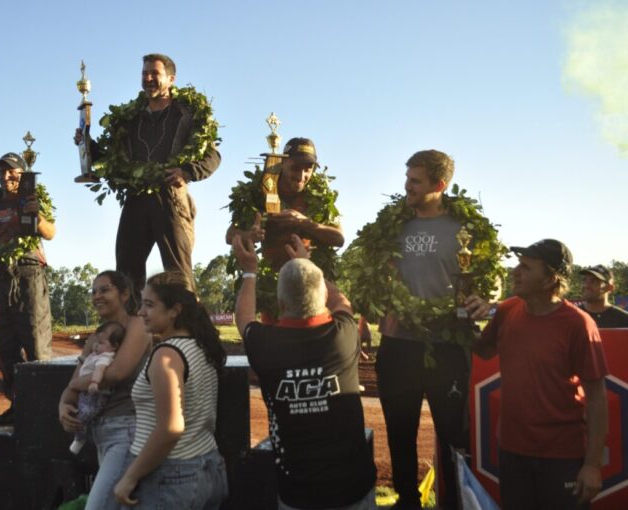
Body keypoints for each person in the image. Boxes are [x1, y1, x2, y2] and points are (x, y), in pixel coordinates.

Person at [375, 150, 488, 510]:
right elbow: (370, 271)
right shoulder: (391, 224)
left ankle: (455, 503)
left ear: (439, 185)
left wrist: (484, 298)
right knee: (400, 433)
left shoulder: (465, 228)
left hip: (447, 346)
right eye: (407, 177)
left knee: (455, 436)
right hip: (398, 344)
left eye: (415, 180)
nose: (406, 186)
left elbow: (487, 279)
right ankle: (407, 502)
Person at [232, 233, 377, 510]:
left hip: (298, 494)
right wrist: (307, 263)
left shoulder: (265, 343)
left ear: (281, 305)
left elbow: (244, 319)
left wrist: (249, 271)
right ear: (322, 294)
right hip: (354, 489)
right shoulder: (344, 335)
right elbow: (342, 302)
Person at [472, 239, 608, 509]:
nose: (515, 272)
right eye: (517, 265)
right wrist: (465, 317)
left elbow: (597, 398)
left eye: (525, 267)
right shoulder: (508, 309)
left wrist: (592, 466)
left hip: (562, 456)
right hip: (512, 451)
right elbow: (484, 351)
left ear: (550, 280)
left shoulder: (579, 324)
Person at [75, 54, 221, 292]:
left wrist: (187, 172)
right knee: (126, 271)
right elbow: (112, 160)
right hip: (136, 198)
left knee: (178, 272)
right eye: (145, 73)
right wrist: (87, 145)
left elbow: (213, 156)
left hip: (171, 198)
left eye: (155, 73)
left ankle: (186, 327)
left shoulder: (187, 113)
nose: (148, 79)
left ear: (171, 79)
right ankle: (131, 326)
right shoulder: (130, 118)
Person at [113, 271, 228, 509]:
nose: (141, 312)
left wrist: (130, 476)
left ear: (174, 310)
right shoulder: (200, 346)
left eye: (149, 305)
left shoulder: (166, 355)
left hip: (170, 476)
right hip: (209, 466)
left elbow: (171, 427)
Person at [58, 270, 151, 510]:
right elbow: (71, 389)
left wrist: (78, 383)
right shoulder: (96, 338)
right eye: (94, 291)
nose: (97, 296)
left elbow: (116, 374)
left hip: (127, 431)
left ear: (125, 294)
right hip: (101, 434)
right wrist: (63, 406)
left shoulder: (137, 325)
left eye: (105, 289)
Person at [0, 151, 56, 426]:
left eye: (11, 171)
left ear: (22, 174)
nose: (5, 175)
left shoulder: (32, 199)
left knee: (35, 342)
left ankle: (43, 411)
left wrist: (37, 216)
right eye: (1, 171)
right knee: (2, 347)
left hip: (29, 273)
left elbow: (51, 232)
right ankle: (19, 404)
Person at [226, 137, 343, 320]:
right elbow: (229, 236)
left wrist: (305, 223)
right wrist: (250, 235)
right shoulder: (261, 191)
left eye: (308, 169)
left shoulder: (320, 195)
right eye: (295, 168)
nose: (301, 175)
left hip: (313, 287)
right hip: (273, 291)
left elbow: (339, 239)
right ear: (282, 164)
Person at [69, 321, 125, 455]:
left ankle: (80, 439)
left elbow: (99, 370)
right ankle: (81, 437)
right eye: (96, 342)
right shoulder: (97, 354)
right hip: (87, 393)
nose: (95, 346)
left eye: (100, 343)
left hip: (96, 394)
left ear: (114, 346)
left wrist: (94, 382)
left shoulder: (105, 357)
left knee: (84, 416)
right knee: (82, 413)